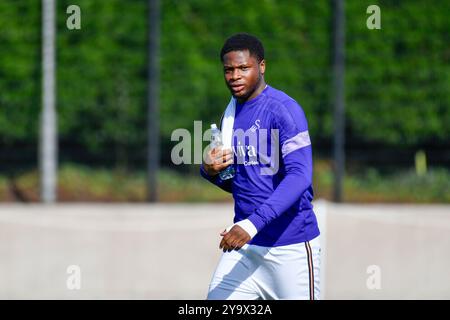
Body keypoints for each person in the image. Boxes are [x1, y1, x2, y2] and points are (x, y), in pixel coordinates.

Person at [200, 33, 321, 300]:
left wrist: (251, 225)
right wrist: (208, 170)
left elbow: (300, 176)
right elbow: (243, 180)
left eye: (243, 68)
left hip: (289, 248)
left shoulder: (283, 109)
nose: (235, 76)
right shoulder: (230, 114)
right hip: (245, 249)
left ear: (261, 67)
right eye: (228, 70)